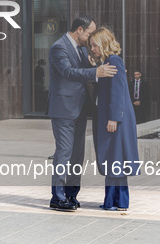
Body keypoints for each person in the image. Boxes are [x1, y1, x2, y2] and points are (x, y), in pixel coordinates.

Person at [47, 16, 117, 211]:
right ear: (79, 29)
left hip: (79, 109)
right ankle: (57, 196)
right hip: (63, 110)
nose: (90, 37)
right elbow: (69, 73)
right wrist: (97, 72)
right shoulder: (58, 47)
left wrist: (111, 72)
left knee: (77, 156)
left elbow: (86, 72)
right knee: (64, 153)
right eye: (89, 33)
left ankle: (71, 194)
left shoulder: (81, 50)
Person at [89, 27, 139, 211]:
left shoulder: (114, 61)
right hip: (112, 118)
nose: (92, 48)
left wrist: (114, 119)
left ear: (103, 43)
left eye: (94, 44)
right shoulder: (108, 62)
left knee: (115, 159)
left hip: (115, 120)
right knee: (114, 159)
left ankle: (117, 202)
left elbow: (118, 93)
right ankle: (115, 201)